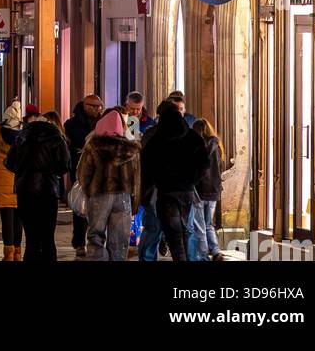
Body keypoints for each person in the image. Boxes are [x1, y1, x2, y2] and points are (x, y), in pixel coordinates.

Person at [140, 100, 209, 261]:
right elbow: (204, 162)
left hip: (166, 192)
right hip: (186, 191)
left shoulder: (156, 139)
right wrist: (192, 180)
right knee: (187, 229)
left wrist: (148, 189)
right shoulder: (193, 137)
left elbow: (147, 167)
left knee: (173, 233)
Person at [75, 108, 141, 262]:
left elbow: (82, 173)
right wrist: (134, 203)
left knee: (96, 236)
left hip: (99, 195)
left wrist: (89, 190)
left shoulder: (93, 146)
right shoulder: (131, 149)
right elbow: (136, 179)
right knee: (119, 241)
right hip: (123, 197)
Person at [6, 111, 70, 263]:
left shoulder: (21, 137)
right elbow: (65, 165)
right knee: (48, 238)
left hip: (25, 192)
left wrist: (24, 171)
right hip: (49, 192)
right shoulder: (56, 137)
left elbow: (9, 163)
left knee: (31, 240)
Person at [63, 94, 103, 256]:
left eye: (98, 106)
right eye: (92, 106)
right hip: (79, 171)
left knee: (99, 206)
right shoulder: (71, 124)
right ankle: (79, 241)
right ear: (84, 105)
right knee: (80, 207)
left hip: (99, 171)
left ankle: (95, 240)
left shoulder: (102, 122)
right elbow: (68, 146)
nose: (96, 109)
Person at [0, 101, 22, 261]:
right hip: (21, 182)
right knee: (18, 220)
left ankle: (8, 254)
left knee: (7, 219)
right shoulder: (24, 136)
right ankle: (18, 253)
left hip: (3, 182)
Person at [192, 118, 225, 261]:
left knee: (199, 226)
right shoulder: (217, 146)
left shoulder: (196, 147)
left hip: (199, 190)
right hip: (214, 190)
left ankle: (203, 255)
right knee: (208, 224)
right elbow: (220, 168)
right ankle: (216, 251)